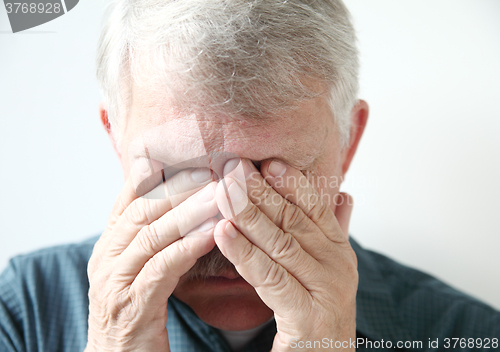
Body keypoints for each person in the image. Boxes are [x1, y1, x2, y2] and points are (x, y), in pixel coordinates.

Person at [0, 1, 499, 351]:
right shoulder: (22, 315)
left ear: (347, 142)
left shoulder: (468, 335)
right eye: (185, 174)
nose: (230, 227)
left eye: (271, 173)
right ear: (116, 139)